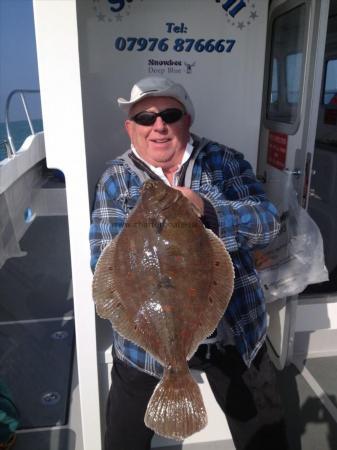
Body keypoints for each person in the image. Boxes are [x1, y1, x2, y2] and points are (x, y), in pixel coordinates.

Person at [89, 76, 289, 450]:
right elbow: (101, 257)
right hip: (144, 347)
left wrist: (208, 210)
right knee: (122, 441)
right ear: (129, 128)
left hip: (234, 330)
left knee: (266, 440)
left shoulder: (224, 163)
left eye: (170, 114)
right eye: (145, 118)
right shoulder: (115, 178)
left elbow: (268, 224)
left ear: (187, 120)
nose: (158, 125)